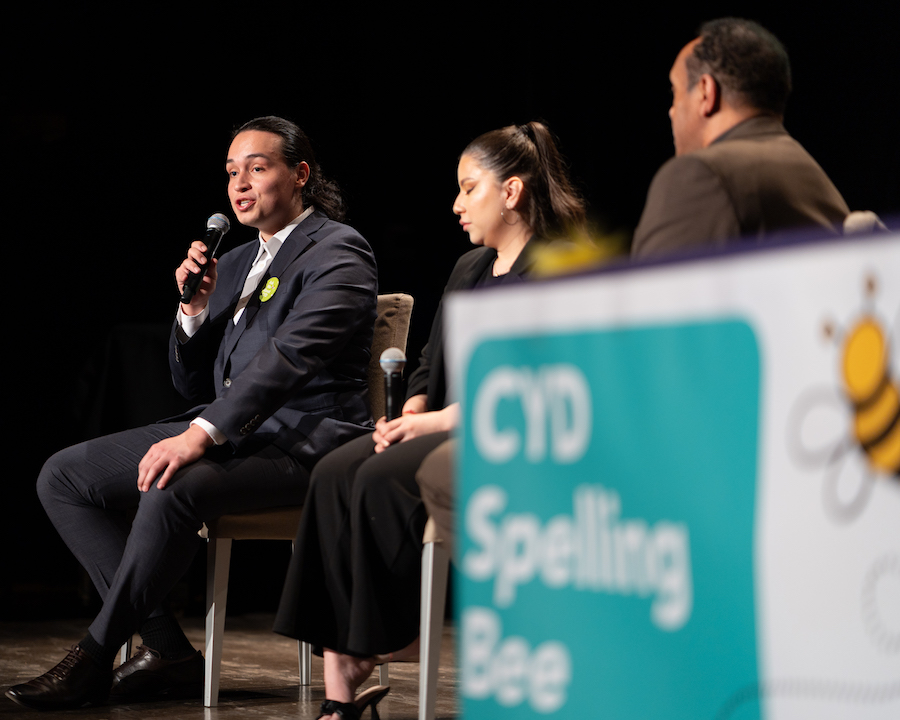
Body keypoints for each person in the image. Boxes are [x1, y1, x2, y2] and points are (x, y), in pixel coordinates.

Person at [6, 116, 378, 711]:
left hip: (304, 442)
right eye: (232, 172)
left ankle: (94, 656)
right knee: (63, 477)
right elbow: (192, 382)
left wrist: (200, 434)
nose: (240, 185)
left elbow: (291, 357)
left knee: (172, 482)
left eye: (257, 168)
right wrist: (194, 313)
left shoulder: (338, 249)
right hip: (235, 431)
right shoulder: (236, 261)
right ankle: (166, 648)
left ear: (300, 174)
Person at [273, 121, 587, 720]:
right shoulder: (470, 268)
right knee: (334, 472)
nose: (456, 205)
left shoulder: (558, 269)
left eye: (469, 189)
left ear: (512, 192)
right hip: (442, 424)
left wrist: (438, 422)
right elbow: (428, 361)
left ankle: (382, 638)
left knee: (379, 477)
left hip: (508, 437)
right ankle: (340, 685)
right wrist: (417, 403)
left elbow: (538, 385)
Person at [631, 18, 849, 259]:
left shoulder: (701, 174)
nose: (672, 111)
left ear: (705, 92)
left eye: (676, 91)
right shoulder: (812, 176)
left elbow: (659, 283)